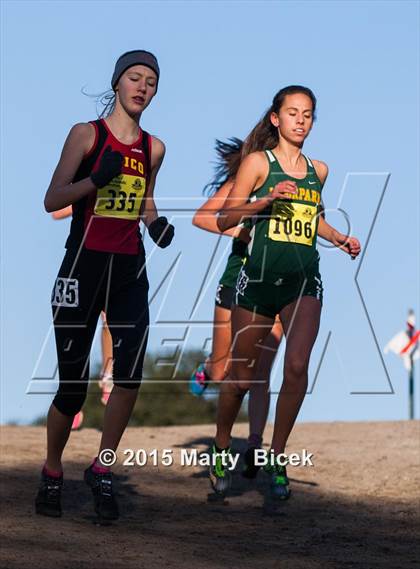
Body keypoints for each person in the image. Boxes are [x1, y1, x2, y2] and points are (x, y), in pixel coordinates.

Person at [35, 50, 174, 521]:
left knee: (130, 375)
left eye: (151, 82)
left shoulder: (153, 148)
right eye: (135, 77)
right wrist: (95, 179)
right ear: (117, 82)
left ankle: (103, 466)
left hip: (128, 268)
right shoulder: (86, 135)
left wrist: (156, 226)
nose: (142, 87)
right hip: (82, 267)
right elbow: (53, 197)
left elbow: (145, 202)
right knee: (72, 388)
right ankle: (53, 471)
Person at [209, 86, 361, 501]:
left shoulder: (319, 170)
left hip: (302, 281)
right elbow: (224, 218)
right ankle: (222, 448)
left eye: (307, 114)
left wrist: (340, 238)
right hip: (256, 281)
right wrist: (266, 199)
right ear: (276, 119)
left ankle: (276, 456)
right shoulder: (258, 163)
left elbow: (314, 219)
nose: (300, 120)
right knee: (240, 380)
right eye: (292, 113)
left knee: (296, 366)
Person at [190, 139, 283, 478]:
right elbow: (202, 218)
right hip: (235, 281)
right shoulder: (242, 182)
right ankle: (207, 370)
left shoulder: (298, 183)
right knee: (221, 374)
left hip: (276, 285)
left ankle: (255, 445)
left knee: (261, 373)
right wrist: (241, 226)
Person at [51, 207, 115, 429]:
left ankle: (109, 375)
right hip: (82, 256)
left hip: (115, 253)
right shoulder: (84, 178)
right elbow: (55, 212)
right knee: (78, 331)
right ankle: (74, 399)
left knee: (111, 318)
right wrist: (88, 196)